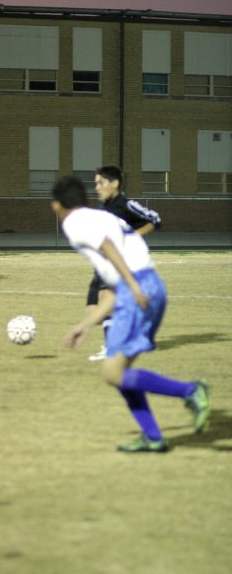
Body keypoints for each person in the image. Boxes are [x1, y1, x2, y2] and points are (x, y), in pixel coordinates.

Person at [51, 176, 210, 453]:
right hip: (146, 286)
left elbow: (108, 249)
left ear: (56, 205)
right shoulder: (103, 216)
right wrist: (85, 325)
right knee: (120, 372)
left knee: (112, 373)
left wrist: (133, 286)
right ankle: (152, 436)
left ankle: (190, 391)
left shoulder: (73, 222)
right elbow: (113, 288)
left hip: (137, 288)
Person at [87, 166, 162, 362]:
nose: (97, 187)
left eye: (100, 183)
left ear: (115, 184)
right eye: (95, 183)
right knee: (93, 312)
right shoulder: (103, 208)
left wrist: (134, 236)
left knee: (106, 300)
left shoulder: (127, 205)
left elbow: (155, 219)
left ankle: (111, 347)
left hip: (121, 263)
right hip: (103, 262)